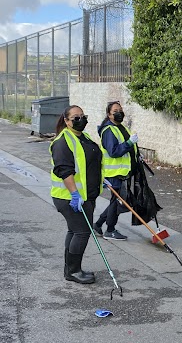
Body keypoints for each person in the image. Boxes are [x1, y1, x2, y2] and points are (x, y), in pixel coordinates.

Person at [50, 105, 102, 284]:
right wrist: (74, 194)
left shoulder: (83, 137)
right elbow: (65, 171)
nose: (81, 120)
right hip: (70, 198)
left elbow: (89, 163)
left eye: (83, 116)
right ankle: (73, 271)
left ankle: (70, 269)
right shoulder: (62, 142)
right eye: (76, 118)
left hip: (88, 195)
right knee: (82, 231)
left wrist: (101, 179)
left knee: (74, 230)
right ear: (66, 121)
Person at [93, 101, 138, 240]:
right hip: (113, 173)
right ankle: (110, 230)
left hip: (122, 172)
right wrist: (130, 143)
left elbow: (127, 148)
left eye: (120, 110)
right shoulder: (108, 131)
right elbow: (113, 151)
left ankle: (99, 224)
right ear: (109, 114)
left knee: (117, 200)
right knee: (117, 202)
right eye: (115, 111)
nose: (119, 113)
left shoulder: (121, 128)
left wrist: (136, 154)